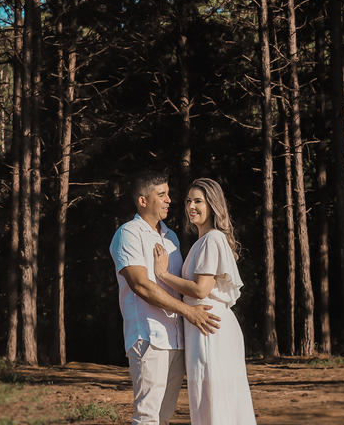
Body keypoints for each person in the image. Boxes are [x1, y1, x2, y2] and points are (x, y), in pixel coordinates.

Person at [110, 170, 222, 425]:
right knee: (147, 416)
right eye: (161, 195)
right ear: (143, 200)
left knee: (162, 417)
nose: (169, 200)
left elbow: (181, 284)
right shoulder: (129, 234)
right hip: (149, 337)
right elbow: (141, 285)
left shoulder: (170, 237)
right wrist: (189, 311)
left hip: (178, 340)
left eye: (168, 194)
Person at [153, 177, 257, 425]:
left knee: (214, 399)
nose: (191, 206)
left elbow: (201, 290)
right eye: (188, 201)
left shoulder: (212, 239)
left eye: (198, 201)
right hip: (204, 326)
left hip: (210, 326)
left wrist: (162, 274)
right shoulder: (203, 242)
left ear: (212, 205)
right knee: (211, 398)